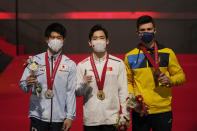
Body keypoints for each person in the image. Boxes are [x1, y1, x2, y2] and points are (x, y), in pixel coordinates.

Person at [124, 15, 186, 131]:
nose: (146, 32)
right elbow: (126, 82)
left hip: (163, 111)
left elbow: (181, 76)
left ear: (155, 30)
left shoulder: (168, 53)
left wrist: (170, 80)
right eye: (142, 30)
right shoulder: (130, 56)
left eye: (149, 29)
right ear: (137, 32)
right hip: (140, 111)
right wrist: (134, 104)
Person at [20, 23, 76, 131]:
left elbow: (70, 92)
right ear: (47, 39)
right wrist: (26, 83)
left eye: (59, 38)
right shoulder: (35, 61)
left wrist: (70, 116)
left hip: (60, 118)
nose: (56, 40)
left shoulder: (70, 64)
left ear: (64, 40)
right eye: (53, 37)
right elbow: (23, 86)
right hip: (38, 116)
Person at [76, 24, 130, 131]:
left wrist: (125, 114)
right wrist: (83, 83)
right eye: (95, 39)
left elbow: (123, 91)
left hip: (112, 120)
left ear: (107, 41)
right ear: (90, 43)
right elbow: (78, 93)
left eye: (102, 38)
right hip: (91, 121)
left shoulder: (118, 63)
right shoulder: (82, 65)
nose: (98, 41)